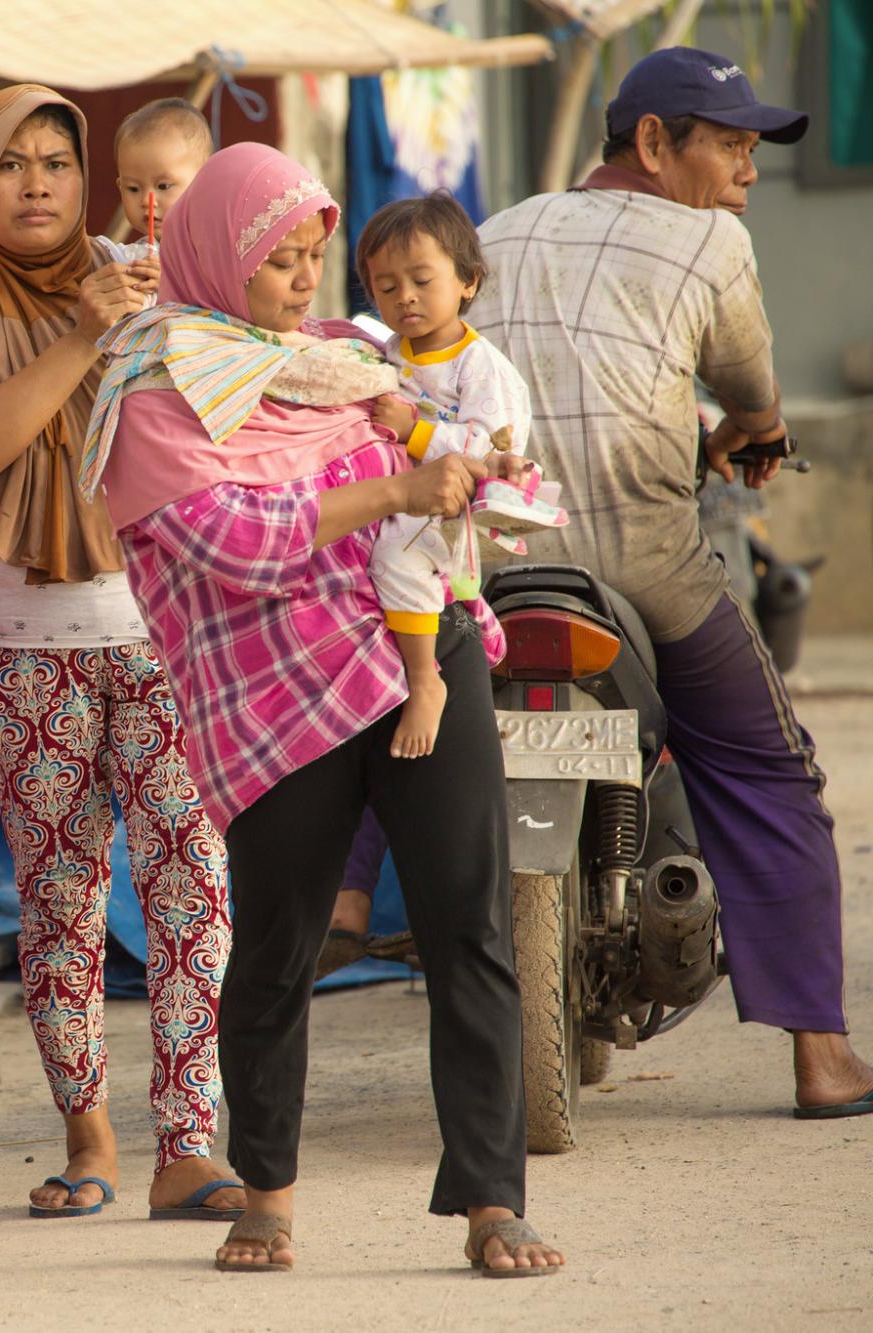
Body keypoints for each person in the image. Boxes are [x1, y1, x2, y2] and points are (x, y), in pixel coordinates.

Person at [82, 142, 565, 1276]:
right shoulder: (156, 392)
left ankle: (493, 1199)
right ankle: (267, 1192)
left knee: (468, 924)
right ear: (214, 256)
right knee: (278, 949)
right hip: (269, 696)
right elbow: (233, 543)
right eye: (279, 260)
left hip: (416, 656)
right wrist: (392, 489)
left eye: (311, 258)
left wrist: (478, 472)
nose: (306, 283)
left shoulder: (342, 360)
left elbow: (434, 449)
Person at [467, 47, 873, 1120]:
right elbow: (746, 387)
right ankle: (821, 1057)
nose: (744, 172)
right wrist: (753, 428)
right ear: (651, 143)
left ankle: (354, 896)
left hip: (487, 572)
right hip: (645, 567)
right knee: (766, 772)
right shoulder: (708, 240)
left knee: (395, 719)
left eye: (752, 151)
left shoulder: (490, 232)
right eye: (728, 145)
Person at [0, 84, 242, 1223]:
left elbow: (229, 393)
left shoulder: (147, 260)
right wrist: (80, 334)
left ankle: (186, 1137)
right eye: (11, 163)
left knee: (189, 878)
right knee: (57, 889)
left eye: (56, 160)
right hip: (19, 649)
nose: (36, 182)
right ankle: (87, 1131)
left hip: (164, 631)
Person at [354, 193, 549, 757]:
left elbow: (490, 450)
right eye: (386, 288)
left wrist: (413, 431)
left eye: (421, 280)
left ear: (467, 280)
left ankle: (424, 680)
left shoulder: (480, 366)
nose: (405, 297)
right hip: (401, 493)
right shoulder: (389, 351)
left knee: (396, 553)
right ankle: (464, 608)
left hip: (450, 505)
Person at [114, 97, 213, 255]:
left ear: (204, 182)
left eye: (163, 186)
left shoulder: (218, 249)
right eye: (133, 189)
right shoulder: (128, 258)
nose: (147, 200)